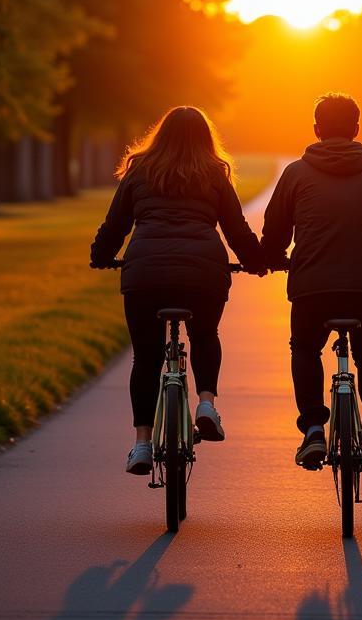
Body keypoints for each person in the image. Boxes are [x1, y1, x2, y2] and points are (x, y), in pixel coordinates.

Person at [90, 106, 265, 475]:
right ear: (206, 138)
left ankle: (141, 443)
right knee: (204, 334)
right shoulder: (215, 175)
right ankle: (205, 403)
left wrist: (101, 256)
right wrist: (254, 261)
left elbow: (115, 225)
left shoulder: (140, 172)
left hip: (145, 274)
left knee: (146, 358)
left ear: (161, 135)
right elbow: (236, 229)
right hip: (203, 273)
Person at [261, 92, 362, 471]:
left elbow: (274, 231)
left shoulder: (296, 173)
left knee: (305, 349)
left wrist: (273, 259)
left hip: (313, 287)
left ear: (317, 130)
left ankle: (314, 430)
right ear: (356, 129)